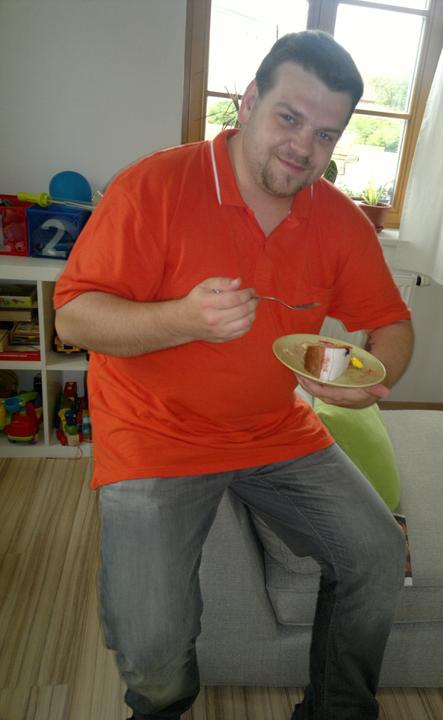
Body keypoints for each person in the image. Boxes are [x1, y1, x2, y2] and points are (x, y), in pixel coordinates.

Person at [54, 30, 414, 720]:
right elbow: (74, 318)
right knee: (153, 645)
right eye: (289, 117)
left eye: (326, 134)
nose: (303, 147)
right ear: (247, 102)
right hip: (154, 434)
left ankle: (338, 711)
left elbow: (391, 323)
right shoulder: (153, 187)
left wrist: (367, 382)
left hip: (275, 430)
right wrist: (181, 319)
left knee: (376, 553)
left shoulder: (338, 220)